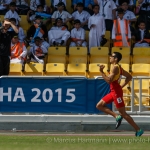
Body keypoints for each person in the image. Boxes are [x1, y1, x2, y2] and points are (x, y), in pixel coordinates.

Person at [96, 52, 144, 137]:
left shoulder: (115, 68)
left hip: (116, 93)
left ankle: (138, 130)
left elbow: (109, 81)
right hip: (114, 91)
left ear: (116, 59)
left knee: (123, 114)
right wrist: (120, 86)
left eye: (112, 56)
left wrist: (101, 72)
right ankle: (116, 116)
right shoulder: (118, 67)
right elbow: (129, 76)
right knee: (99, 105)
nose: (110, 57)